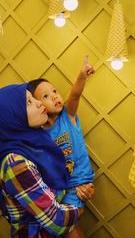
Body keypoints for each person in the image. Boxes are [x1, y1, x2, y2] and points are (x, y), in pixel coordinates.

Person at [0, 83, 81, 238]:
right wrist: (78, 203)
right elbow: (57, 223)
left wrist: (79, 188)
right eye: (29, 102)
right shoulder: (16, 162)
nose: (39, 103)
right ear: (14, 117)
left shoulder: (35, 143)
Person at [29, 55, 95, 238]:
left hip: (79, 182)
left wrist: (82, 76)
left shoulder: (68, 116)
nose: (55, 96)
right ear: (38, 105)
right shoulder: (39, 134)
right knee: (65, 229)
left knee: (65, 225)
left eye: (54, 91)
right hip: (59, 188)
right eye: (46, 96)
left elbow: (74, 95)